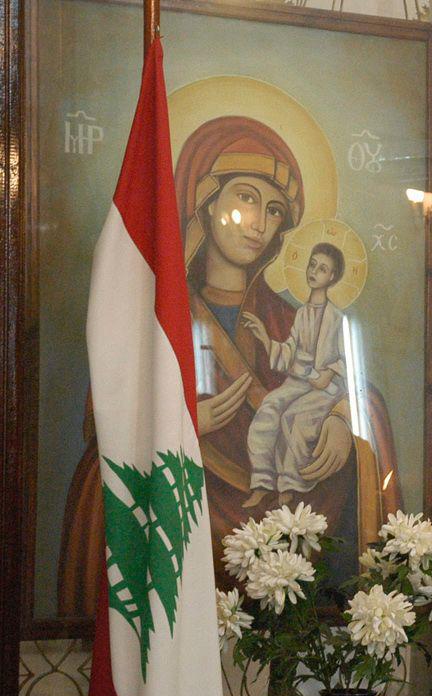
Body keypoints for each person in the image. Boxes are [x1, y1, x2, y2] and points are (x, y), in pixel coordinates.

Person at [55, 117, 400, 615]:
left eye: (275, 209)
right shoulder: (158, 318)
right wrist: (186, 425)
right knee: (98, 481)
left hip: (284, 510)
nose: (260, 222)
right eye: (246, 197)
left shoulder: (289, 317)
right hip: (190, 503)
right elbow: (106, 424)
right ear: (205, 201)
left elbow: (345, 383)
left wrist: (345, 422)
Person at [241, 243, 349, 508]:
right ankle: (262, 482)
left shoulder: (336, 318)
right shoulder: (301, 313)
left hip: (324, 389)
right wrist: (266, 340)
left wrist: (328, 373)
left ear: (332, 277)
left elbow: (346, 359)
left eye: (322, 268)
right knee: (269, 408)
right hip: (299, 381)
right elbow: (291, 349)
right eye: (312, 265)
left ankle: (289, 486)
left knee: (294, 418)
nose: (314, 271)